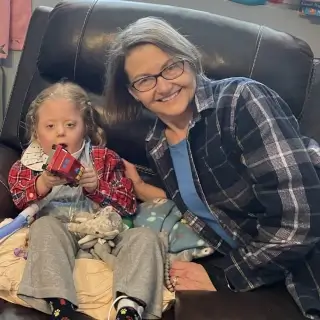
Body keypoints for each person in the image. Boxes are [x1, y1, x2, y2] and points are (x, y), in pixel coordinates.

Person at [104, 17, 320, 318]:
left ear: (190, 60)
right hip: (256, 266)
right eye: (144, 80)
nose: (163, 86)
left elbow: (299, 223)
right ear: (133, 92)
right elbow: (206, 209)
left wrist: (226, 275)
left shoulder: (242, 100)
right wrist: (139, 190)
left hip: (306, 263)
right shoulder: (156, 144)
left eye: (171, 67)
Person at [8, 82, 166, 320]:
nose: (60, 132)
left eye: (70, 125)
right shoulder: (28, 164)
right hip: (59, 231)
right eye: (50, 126)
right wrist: (44, 183)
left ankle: (130, 306)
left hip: (106, 231)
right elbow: (19, 200)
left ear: (85, 128)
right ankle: (60, 304)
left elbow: (128, 204)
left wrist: (96, 187)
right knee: (43, 227)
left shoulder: (104, 158)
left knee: (146, 238)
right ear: (37, 134)